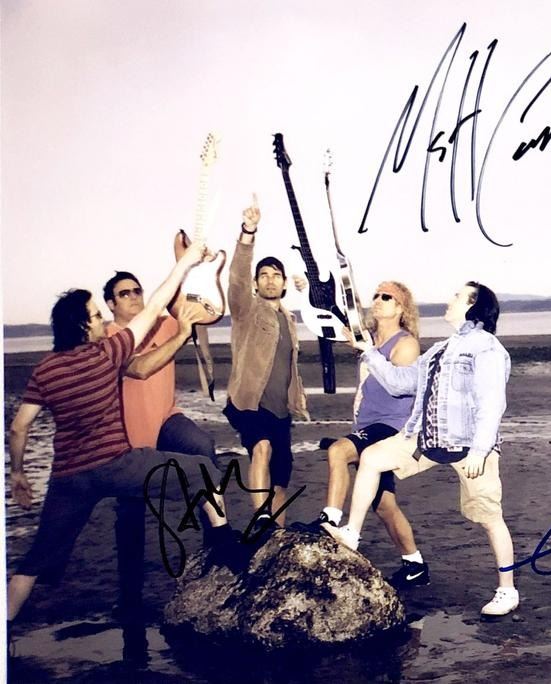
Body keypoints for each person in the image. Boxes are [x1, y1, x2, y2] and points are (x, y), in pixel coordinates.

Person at [6, 241, 236, 627]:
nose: (100, 320)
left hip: (69, 478)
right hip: (117, 463)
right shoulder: (109, 351)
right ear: (84, 326)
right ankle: (225, 544)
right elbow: (157, 304)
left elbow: (19, 426)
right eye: (96, 315)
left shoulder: (45, 369)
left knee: (34, 560)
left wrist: (17, 473)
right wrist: (185, 262)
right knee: (203, 471)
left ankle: (6, 623)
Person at [329, 282, 519, 617]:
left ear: (473, 305)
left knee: (490, 518)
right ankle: (351, 533)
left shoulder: (487, 348)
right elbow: (400, 383)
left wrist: (480, 450)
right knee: (372, 458)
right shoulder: (441, 349)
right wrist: (368, 351)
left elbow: (492, 403)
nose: (450, 299)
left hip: (470, 446)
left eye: (457, 296)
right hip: (427, 439)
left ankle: (507, 590)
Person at [299, 281, 430, 588]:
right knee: (384, 505)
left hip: (390, 426)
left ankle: (330, 519)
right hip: (367, 424)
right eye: (376, 295)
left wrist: (369, 351)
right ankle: (415, 565)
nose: (379, 300)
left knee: (338, 451)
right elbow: (338, 315)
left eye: (388, 297)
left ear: (401, 308)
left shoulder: (406, 344)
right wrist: (307, 292)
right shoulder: (368, 338)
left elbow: (398, 385)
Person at [103, 270, 217, 617]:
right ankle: (129, 595)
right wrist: (181, 334)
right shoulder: (110, 338)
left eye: (138, 290)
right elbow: (138, 369)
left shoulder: (164, 324)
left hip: (167, 419)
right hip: (129, 434)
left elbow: (213, 312)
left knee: (203, 449)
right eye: (124, 293)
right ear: (110, 304)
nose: (134, 297)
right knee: (131, 511)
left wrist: (195, 267)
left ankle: (215, 549)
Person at [222, 195, 308, 534]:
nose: (270, 280)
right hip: (249, 402)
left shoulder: (289, 319)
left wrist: (309, 289)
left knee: (281, 480)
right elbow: (237, 280)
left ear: (284, 283)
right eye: (264, 275)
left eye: (276, 275)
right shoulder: (247, 309)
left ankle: (275, 537)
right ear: (257, 283)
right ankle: (260, 518)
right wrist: (248, 233)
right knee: (261, 447)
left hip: (280, 410)